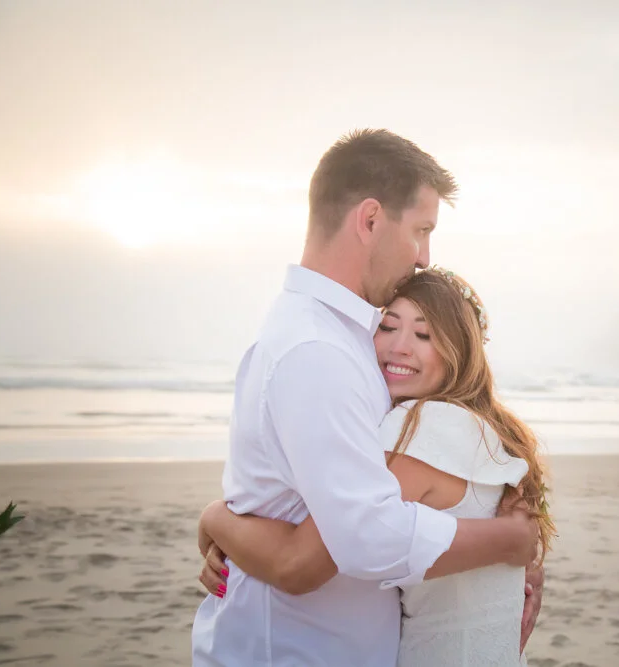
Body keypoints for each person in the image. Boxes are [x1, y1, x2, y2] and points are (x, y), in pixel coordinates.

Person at [190, 129, 542, 667]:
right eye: (421, 230)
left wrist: (222, 521)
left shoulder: (353, 335)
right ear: (371, 220)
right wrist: (507, 542)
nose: (425, 257)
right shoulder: (317, 350)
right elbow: (363, 536)